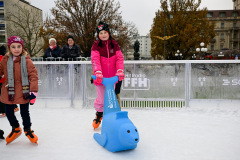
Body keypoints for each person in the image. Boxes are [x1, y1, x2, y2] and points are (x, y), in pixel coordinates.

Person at [0, 36, 39, 144]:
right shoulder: (5, 60)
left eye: (19, 46)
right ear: (9, 48)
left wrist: (33, 91)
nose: (16, 49)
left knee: (24, 113)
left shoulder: (27, 60)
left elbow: (34, 76)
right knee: (8, 112)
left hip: (23, 90)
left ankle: (27, 130)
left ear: (22, 47)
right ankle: (16, 128)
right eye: (13, 47)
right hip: (9, 90)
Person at [91, 22, 125, 129]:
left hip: (111, 79)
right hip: (100, 78)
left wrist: (119, 70)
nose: (103, 35)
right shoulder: (96, 45)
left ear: (109, 33)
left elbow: (119, 58)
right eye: (101, 33)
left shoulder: (114, 44)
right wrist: (98, 72)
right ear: (98, 35)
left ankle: (110, 118)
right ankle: (99, 113)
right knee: (101, 99)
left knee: (110, 99)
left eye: (105, 32)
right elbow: (95, 60)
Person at [0, 47, 19, 118]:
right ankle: (14, 106)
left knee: (3, 96)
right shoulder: (6, 58)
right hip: (6, 79)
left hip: (3, 80)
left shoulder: (2, 58)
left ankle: (4, 111)